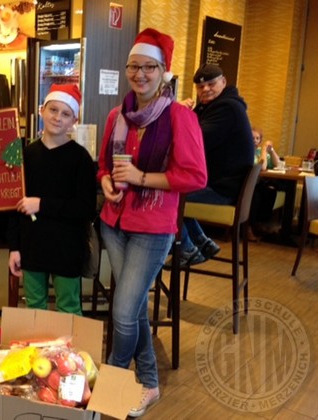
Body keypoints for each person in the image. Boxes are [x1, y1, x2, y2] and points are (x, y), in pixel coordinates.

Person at [97, 28, 207, 417]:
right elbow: (103, 168)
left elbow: (195, 176)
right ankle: (149, 382)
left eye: (149, 67)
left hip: (153, 228)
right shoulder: (116, 115)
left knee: (124, 311)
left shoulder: (180, 117)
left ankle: (111, 382)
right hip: (113, 222)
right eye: (133, 66)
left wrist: (141, 177)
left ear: (164, 72)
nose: (140, 74)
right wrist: (109, 182)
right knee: (134, 308)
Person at [7, 84, 97, 316]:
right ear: (41, 111)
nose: (57, 117)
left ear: (73, 120)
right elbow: (13, 207)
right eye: (53, 110)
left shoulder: (81, 159)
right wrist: (14, 248)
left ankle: (70, 354)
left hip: (67, 247)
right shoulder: (25, 155)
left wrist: (41, 204)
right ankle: (36, 354)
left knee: (69, 308)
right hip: (31, 245)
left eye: (65, 114)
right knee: (34, 308)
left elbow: (85, 208)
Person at [179, 63, 254, 267]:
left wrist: (181, 114)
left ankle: (187, 248)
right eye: (200, 87)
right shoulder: (217, 106)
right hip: (227, 186)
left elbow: (195, 141)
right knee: (173, 191)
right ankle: (203, 243)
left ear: (223, 82)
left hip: (222, 190)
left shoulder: (226, 108)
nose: (205, 89)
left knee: (168, 197)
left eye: (211, 84)